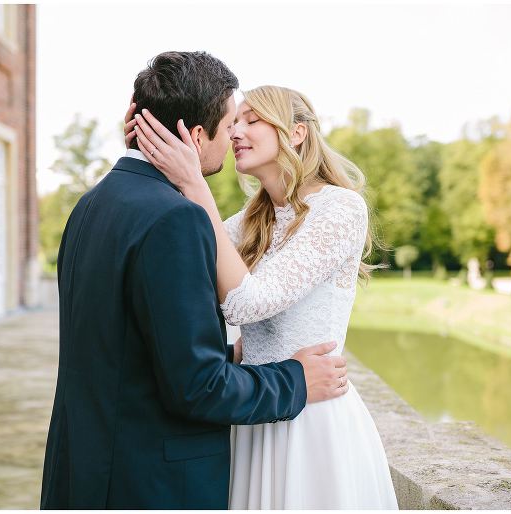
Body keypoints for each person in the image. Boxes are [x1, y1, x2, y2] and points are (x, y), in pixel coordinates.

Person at [40, 52, 349, 510]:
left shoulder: (91, 206)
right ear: (196, 135)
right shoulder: (175, 219)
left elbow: (126, 347)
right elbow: (198, 387)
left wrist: (229, 353)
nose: (234, 138)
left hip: (83, 471)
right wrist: (297, 380)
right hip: (150, 484)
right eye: (229, 127)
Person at [125, 84, 399, 508]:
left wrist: (197, 185)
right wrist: (146, 148)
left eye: (252, 120)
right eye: (234, 121)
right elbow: (186, 256)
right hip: (253, 414)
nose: (235, 130)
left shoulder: (341, 208)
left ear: (297, 133)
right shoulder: (248, 221)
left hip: (311, 419)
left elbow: (247, 302)